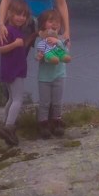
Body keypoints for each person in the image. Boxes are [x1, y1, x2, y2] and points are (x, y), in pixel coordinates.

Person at [0, 0, 31, 146]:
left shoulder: (17, 31)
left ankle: (6, 123)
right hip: (13, 70)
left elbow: (20, 48)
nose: (21, 18)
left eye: (24, 15)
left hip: (14, 69)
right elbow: (0, 49)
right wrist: (15, 44)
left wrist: (32, 37)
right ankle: (9, 127)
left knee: (11, 98)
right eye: (18, 14)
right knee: (18, 99)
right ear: (10, 14)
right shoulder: (8, 30)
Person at [35, 9, 69, 138]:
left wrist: (58, 42)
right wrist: (40, 55)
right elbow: (37, 56)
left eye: (57, 22)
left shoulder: (62, 39)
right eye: (51, 21)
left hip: (59, 75)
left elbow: (66, 53)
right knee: (44, 103)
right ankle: (43, 124)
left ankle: (57, 122)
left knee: (57, 102)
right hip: (44, 78)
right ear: (43, 24)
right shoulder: (39, 40)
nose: (55, 24)